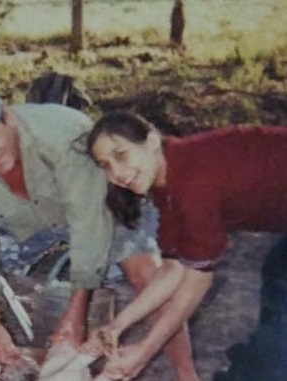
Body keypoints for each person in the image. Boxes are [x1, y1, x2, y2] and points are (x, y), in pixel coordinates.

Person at [0, 93, 199, 381]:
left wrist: (75, 315)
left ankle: (187, 375)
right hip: (25, 219)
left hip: (98, 205)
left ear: (8, 118)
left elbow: (89, 223)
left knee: (147, 272)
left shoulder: (64, 135)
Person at [84, 111, 287, 381]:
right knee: (277, 282)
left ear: (152, 141)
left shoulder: (193, 183)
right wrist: (116, 326)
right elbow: (174, 267)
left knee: (277, 342)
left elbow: (196, 281)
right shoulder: (168, 182)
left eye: (121, 156)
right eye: (106, 166)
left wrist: (144, 352)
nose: (116, 174)